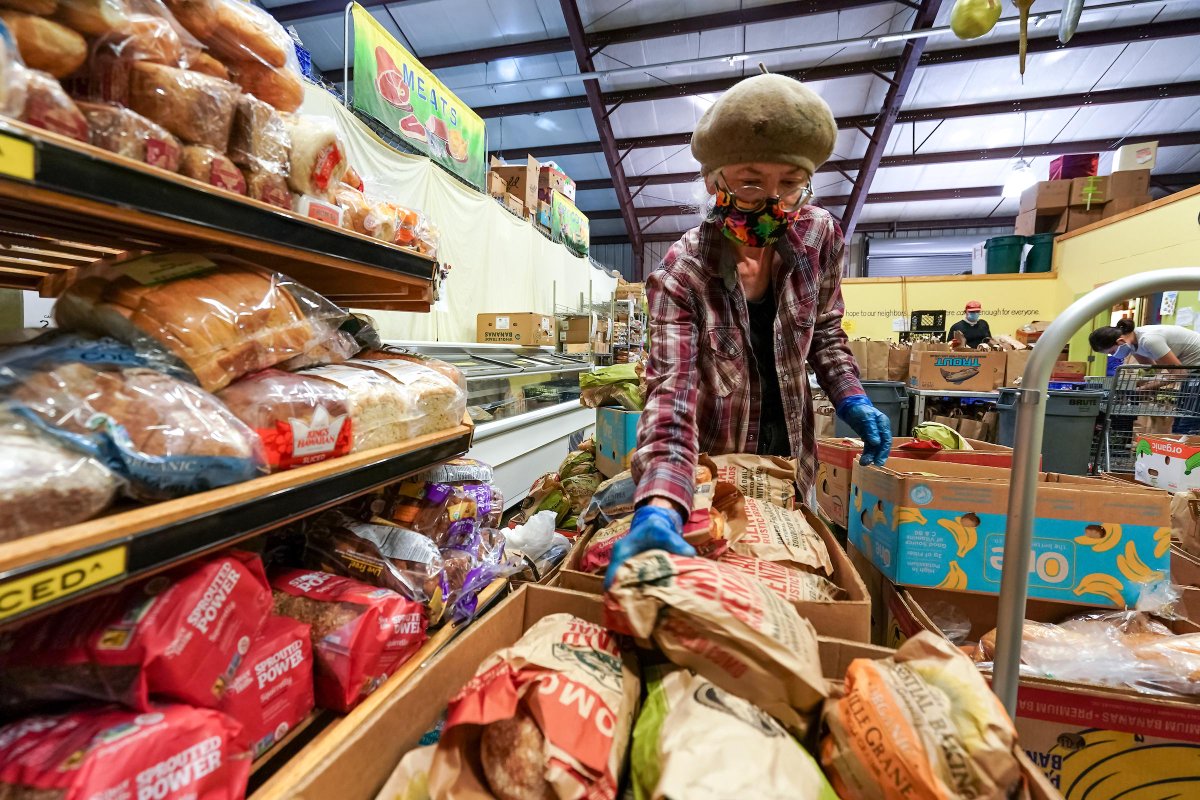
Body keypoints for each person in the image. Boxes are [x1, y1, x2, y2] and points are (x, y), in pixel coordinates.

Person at [604, 72, 892, 587]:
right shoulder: (683, 274)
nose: (773, 201)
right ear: (715, 183)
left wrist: (851, 396)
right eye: (751, 182)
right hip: (717, 470)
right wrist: (661, 502)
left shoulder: (819, 236)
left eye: (790, 184)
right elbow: (672, 394)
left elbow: (824, 328)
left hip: (793, 462)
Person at [1089, 318, 1200, 367]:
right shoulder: (1132, 344)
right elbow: (1151, 368)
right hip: (1189, 366)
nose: (1114, 355)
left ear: (1120, 341)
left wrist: (1146, 387)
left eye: (1112, 352)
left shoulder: (1149, 340)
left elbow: (1179, 373)